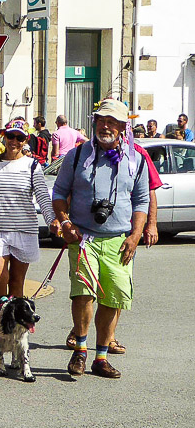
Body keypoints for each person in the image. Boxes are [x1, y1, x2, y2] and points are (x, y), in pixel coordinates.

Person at [52, 100, 150, 380]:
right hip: (84, 238)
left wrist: (135, 235)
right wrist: (66, 222)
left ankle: (101, 357)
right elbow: (59, 192)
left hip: (119, 240)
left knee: (114, 297)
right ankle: (80, 351)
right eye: (100, 120)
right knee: (83, 293)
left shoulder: (136, 159)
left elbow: (142, 200)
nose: (105, 126)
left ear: (122, 127)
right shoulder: (78, 154)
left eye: (112, 122)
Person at [0, 120, 58, 358]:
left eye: (20, 138)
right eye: (11, 136)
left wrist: (52, 220)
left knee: (17, 284)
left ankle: (17, 332)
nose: (14, 142)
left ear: (25, 141)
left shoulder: (33, 166)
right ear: (4, 137)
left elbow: (42, 196)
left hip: (24, 231)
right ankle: (0, 326)